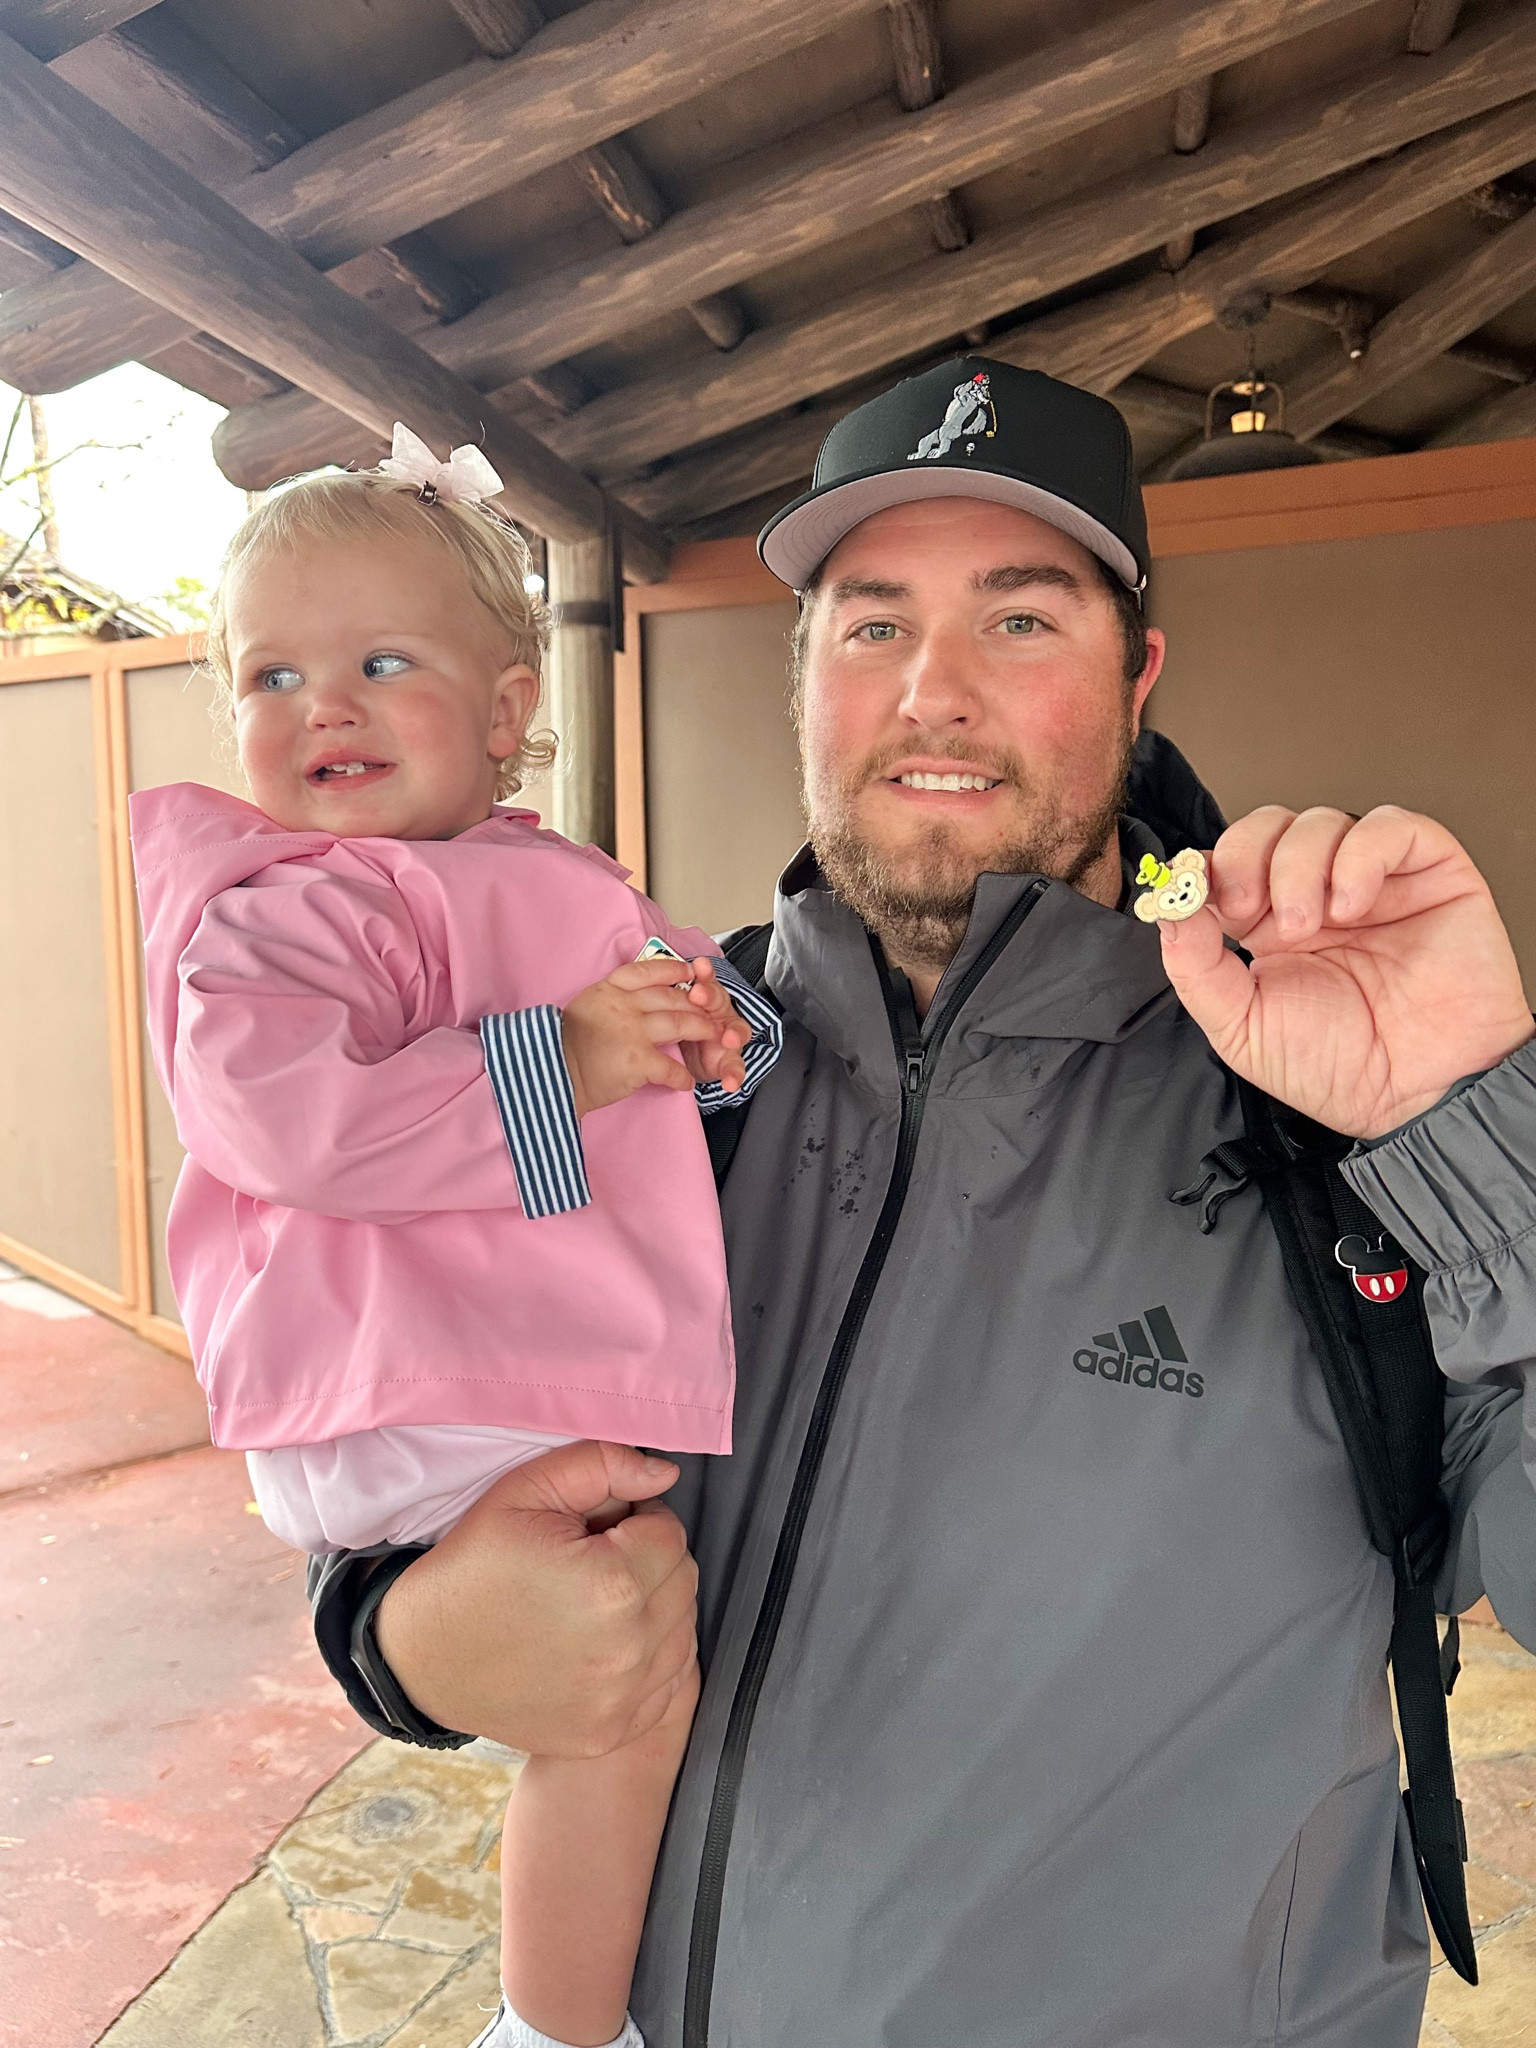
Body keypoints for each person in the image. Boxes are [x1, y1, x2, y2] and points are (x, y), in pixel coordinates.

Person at [310, 361, 1536, 2048]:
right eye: (871, 625)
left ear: (1139, 674)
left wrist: (1477, 1117)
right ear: (800, 679)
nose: (932, 691)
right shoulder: (643, 1060)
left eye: (1021, 622)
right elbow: (389, 1428)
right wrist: (401, 1638)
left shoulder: (1329, 1103)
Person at [130, 431, 783, 2048]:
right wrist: (564, 1062)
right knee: (625, 1709)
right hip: (408, 1378)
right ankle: (560, 2031)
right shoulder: (294, 905)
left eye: (376, 660)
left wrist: (719, 1034)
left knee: (643, 1681)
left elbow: (699, 1003)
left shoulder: (527, 875)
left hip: (480, 1370)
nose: (321, 706)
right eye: (270, 674)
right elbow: (288, 1117)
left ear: (504, 715)